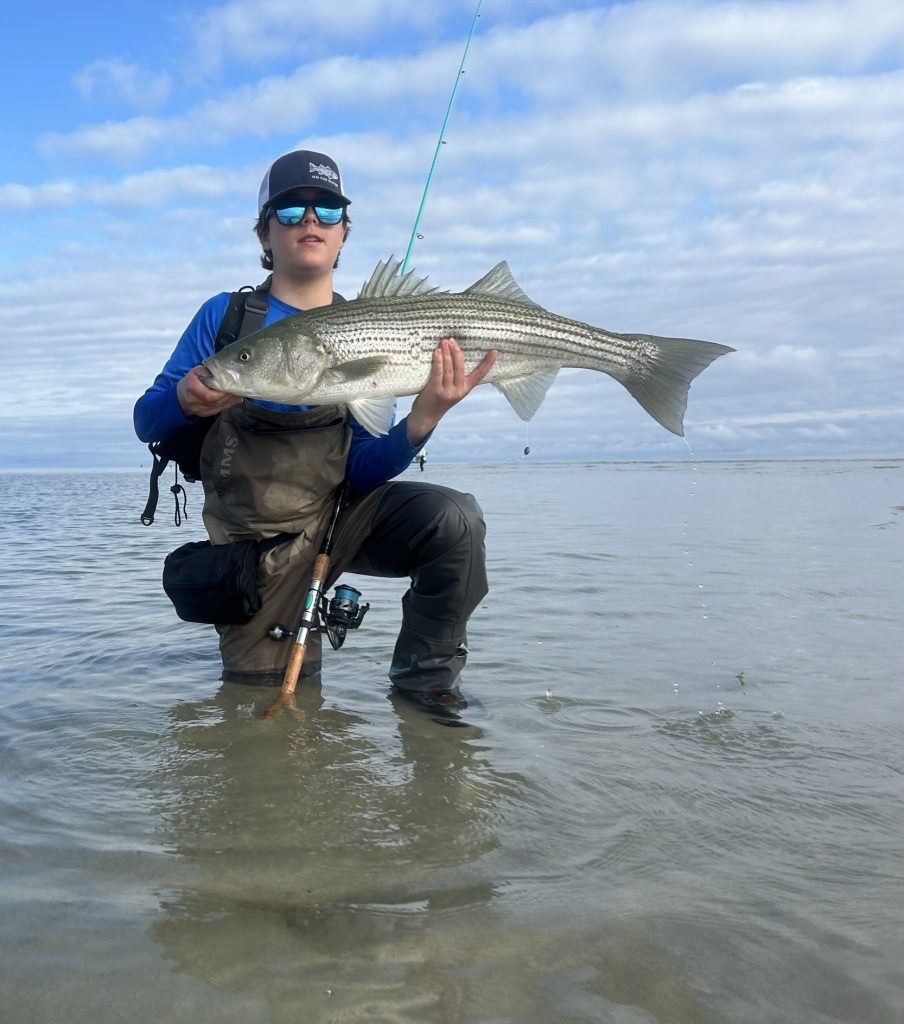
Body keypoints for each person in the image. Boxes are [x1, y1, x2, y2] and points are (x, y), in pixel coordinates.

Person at [134, 149, 497, 710]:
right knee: (259, 710)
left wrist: (423, 417)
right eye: (290, 210)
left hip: (343, 518)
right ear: (264, 233)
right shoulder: (227, 319)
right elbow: (146, 419)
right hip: (257, 546)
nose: (310, 220)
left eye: (328, 210)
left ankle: (426, 692)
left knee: (456, 520)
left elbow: (363, 470)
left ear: (344, 232)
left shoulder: (368, 322)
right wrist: (185, 398)